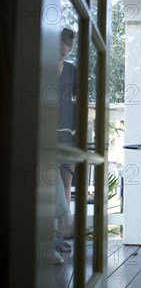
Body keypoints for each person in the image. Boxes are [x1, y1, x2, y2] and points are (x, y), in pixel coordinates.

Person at [55, 27, 77, 253]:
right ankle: (47, 234)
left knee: (66, 183)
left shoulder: (72, 71)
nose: (60, 57)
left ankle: (61, 235)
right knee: (47, 183)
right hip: (45, 135)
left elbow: (78, 101)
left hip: (68, 134)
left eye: (64, 54)